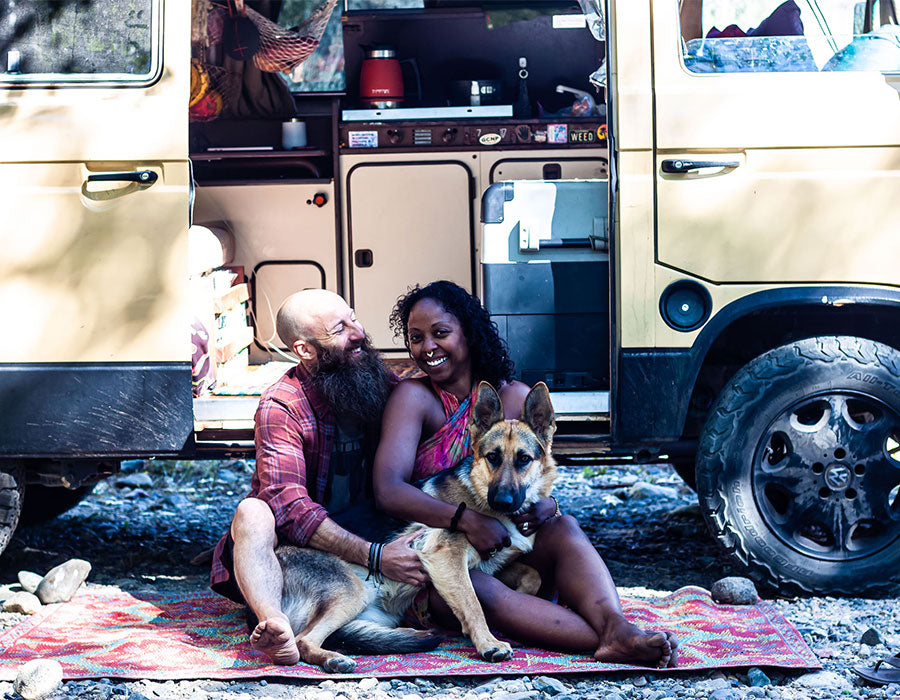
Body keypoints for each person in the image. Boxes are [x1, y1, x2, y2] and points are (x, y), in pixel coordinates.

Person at [373, 280, 678, 668]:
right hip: (434, 564)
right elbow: (387, 491)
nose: (427, 347)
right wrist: (466, 520)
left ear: (468, 330)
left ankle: (616, 626)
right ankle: (603, 640)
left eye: (440, 333)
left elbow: (538, 469)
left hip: (504, 543)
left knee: (564, 525)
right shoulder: (413, 398)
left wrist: (547, 505)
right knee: (477, 582)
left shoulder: (516, 397)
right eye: (415, 338)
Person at [209, 289, 428, 665]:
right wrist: (376, 556)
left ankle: (326, 626)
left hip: (363, 541)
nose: (358, 333)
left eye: (354, 318)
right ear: (305, 350)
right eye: (339, 329)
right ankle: (274, 626)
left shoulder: (380, 383)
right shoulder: (281, 404)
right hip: (294, 558)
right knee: (252, 512)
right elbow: (289, 508)